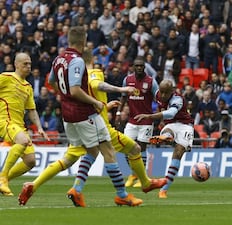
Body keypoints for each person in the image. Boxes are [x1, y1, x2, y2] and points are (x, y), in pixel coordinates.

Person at [18, 51, 167, 206]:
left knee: (72, 158)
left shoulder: (73, 76)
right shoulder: (93, 72)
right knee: (134, 149)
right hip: (98, 125)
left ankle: (38, 185)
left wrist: (104, 106)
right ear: (93, 60)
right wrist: (121, 90)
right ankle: (143, 183)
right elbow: (96, 85)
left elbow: (79, 91)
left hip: (78, 122)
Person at [135, 80, 194, 199]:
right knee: (167, 131)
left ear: (172, 91)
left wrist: (149, 116)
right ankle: (167, 137)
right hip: (170, 125)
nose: (162, 95)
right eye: (161, 92)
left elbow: (171, 113)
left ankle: (164, 189)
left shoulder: (178, 99)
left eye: (165, 93)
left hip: (185, 125)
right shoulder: (158, 94)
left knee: (178, 152)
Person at [0, 53, 49, 196]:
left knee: (30, 161)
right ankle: (3, 177)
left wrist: (39, 128)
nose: (28, 67)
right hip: (5, 121)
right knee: (22, 140)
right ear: (17, 64)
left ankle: (3, 179)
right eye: (25, 64)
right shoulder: (6, 78)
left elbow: (32, 110)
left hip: (19, 125)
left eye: (29, 64)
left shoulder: (28, 86)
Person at [116, 56, 159, 188]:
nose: (139, 68)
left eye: (141, 66)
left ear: (144, 67)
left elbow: (159, 99)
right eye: (137, 66)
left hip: (146, 120)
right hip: (132, 120)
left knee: (142, 148)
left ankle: (142, 177)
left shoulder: (151, 82)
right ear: (133, 67)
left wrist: (159, 116)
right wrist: (118, 113)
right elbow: (123, 98)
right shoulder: (127, 80)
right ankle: (133, 174)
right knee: (126, 147)